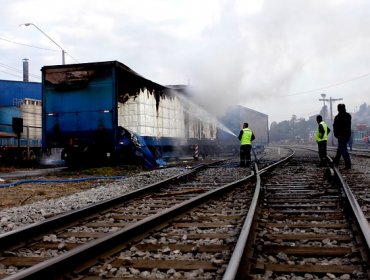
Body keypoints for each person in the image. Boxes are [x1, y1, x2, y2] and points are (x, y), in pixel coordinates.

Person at [333, 103, 352, 169]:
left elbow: (335, 127)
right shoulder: (348, 115)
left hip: (341, 136)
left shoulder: (337, 117)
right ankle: (336, 160)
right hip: (347, 135)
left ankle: (348, 164)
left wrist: (336, 135)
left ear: (338, 109)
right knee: (340, 148)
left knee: (343, 150)